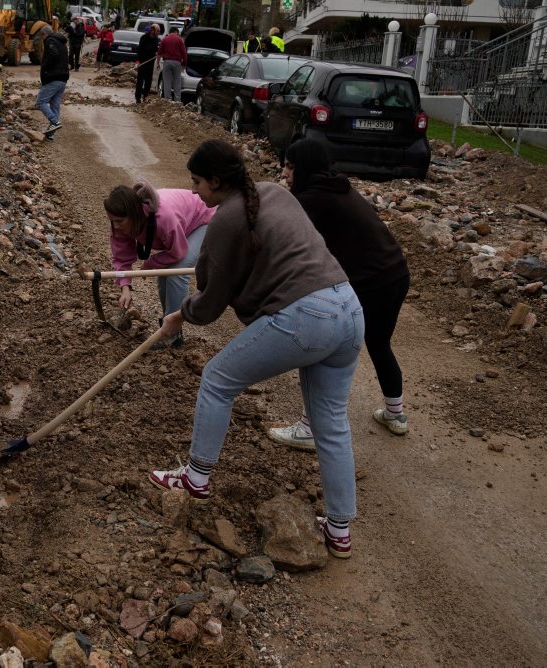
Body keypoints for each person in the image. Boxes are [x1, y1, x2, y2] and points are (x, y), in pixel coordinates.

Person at [149, 138, 364, 560]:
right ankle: (339, 530)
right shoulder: (274, 191)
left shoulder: (226, 220)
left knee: (216, 379)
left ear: (215, 180)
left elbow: (209, 304)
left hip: (306, 317)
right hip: (348, 308)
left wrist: (178, 315)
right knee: (331, 424)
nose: (193, 191)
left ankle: (197, 476)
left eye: (196, 182)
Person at [267, 139, 411, 450]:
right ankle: (396, 414)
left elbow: (286, 242)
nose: (285, 171)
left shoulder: (312, 200)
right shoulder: (336, 187)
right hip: (395, 274)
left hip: (371, 281)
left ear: (304, 168)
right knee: (378, 342)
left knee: (322, 346)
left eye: (291, 166)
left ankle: (308, 428)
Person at [104, 181, 214, 348]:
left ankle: (171, 334)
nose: (116, 226)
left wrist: (150, 264)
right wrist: (125, 288)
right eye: (112, 221)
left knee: (176, 272)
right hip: (183, 222)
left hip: (204, 218)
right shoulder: (119, 225)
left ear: (134, 214)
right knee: (164, 273)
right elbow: (122, 258)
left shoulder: (163, 217)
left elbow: (177, 252)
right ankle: (169, 328)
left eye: (120, 221)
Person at [36, 28, 69, 141]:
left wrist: (45, 68)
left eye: (42, 37)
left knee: (40, 102)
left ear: (44, 34)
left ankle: (55, 122)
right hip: (63, 78)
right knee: (55, 105)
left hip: (53, 78)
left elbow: (53, 54)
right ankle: (51, 134)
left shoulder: (50, 41)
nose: (42, 39)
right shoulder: (61, 42)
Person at [158, 27, 187, 102]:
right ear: (176, 32)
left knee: (167, 81)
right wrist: (184, 64)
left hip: (167, 62)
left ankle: (167, 100)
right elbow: (184, 53)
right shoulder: (180, 40)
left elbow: (159, 53)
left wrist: (158, 63)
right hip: (177, 63)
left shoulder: (165, 39)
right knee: (177, 81)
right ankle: (177, 100)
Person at [135, 23, 161, 104]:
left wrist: (157, 52)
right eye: (158, 31)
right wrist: (137, 61)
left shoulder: (157, 40)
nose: (158, 32)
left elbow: (158, 49)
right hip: (143, 62)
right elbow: (140, 50)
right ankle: (138, 97)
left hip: (150, 62)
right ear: (152, 30)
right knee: (140, 80)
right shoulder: (144, 38)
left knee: (148, 80)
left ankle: (145, 95)